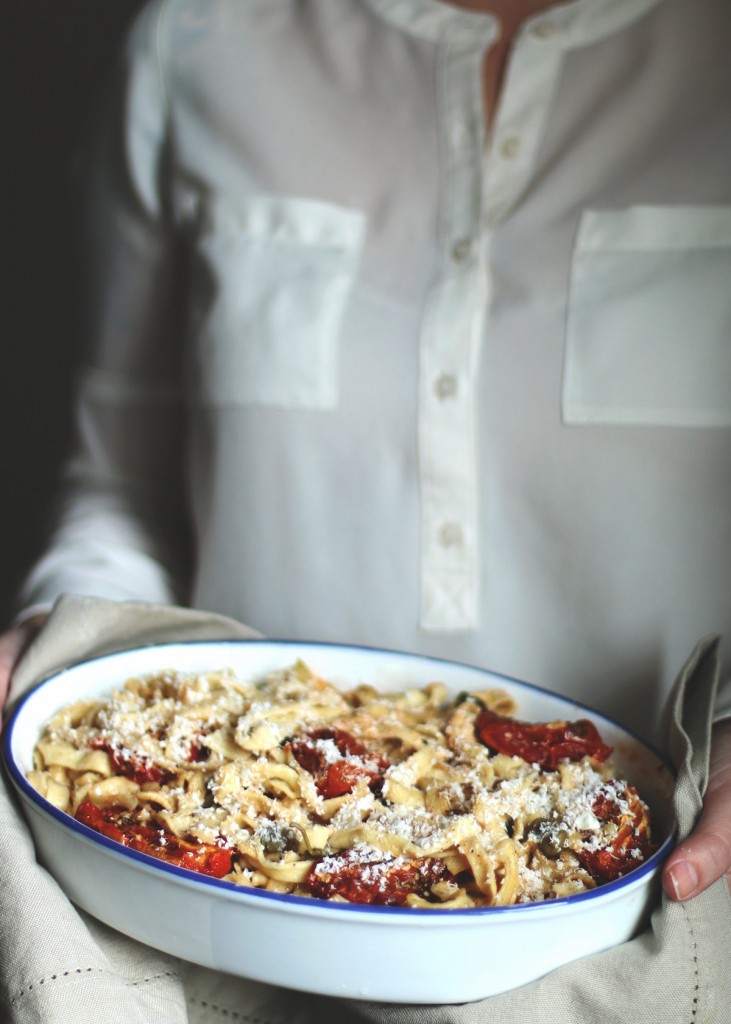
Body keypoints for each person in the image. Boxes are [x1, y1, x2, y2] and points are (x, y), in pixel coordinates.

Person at [2, 0, 730, 919]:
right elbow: (120, 485)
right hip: (203, 878)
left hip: (669, 888)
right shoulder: (200, 38)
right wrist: (66, 639)